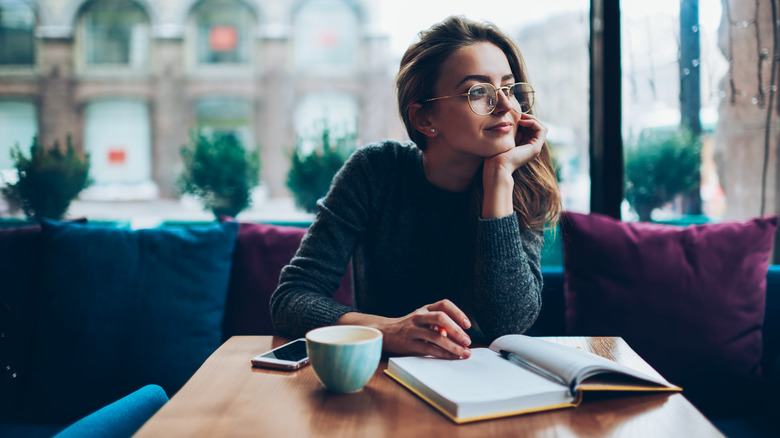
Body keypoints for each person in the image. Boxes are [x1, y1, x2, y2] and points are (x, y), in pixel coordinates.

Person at [271, 16, 561, 360]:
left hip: (486, 382)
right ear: (426, 119)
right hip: (384, 380)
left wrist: (499, 178)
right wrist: (388, 331)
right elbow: (291, 298)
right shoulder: (375, 171)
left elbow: (508, 324)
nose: (504, 106)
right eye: (478, 92)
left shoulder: (522, 181)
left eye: (509, 88)